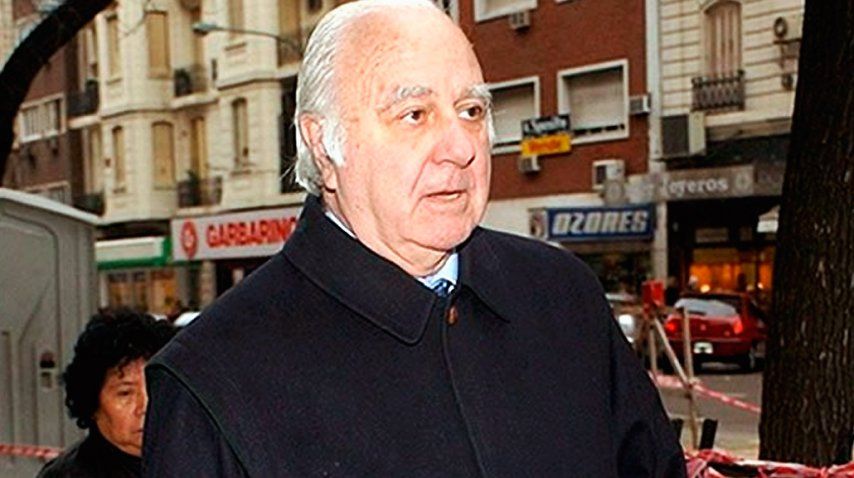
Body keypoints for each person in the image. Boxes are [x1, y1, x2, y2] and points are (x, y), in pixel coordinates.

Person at [143, 1, 686, 476]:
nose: (461, 146)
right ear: (323, 144)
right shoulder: (210, 379)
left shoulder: (562, 295)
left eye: (471, 111)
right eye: (415, 114)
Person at [37, 310, 176, 478]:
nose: (145, 407)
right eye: (125, 393)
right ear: (93, 403)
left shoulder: (195, 460)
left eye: (156, 389)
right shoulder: (67, 475)